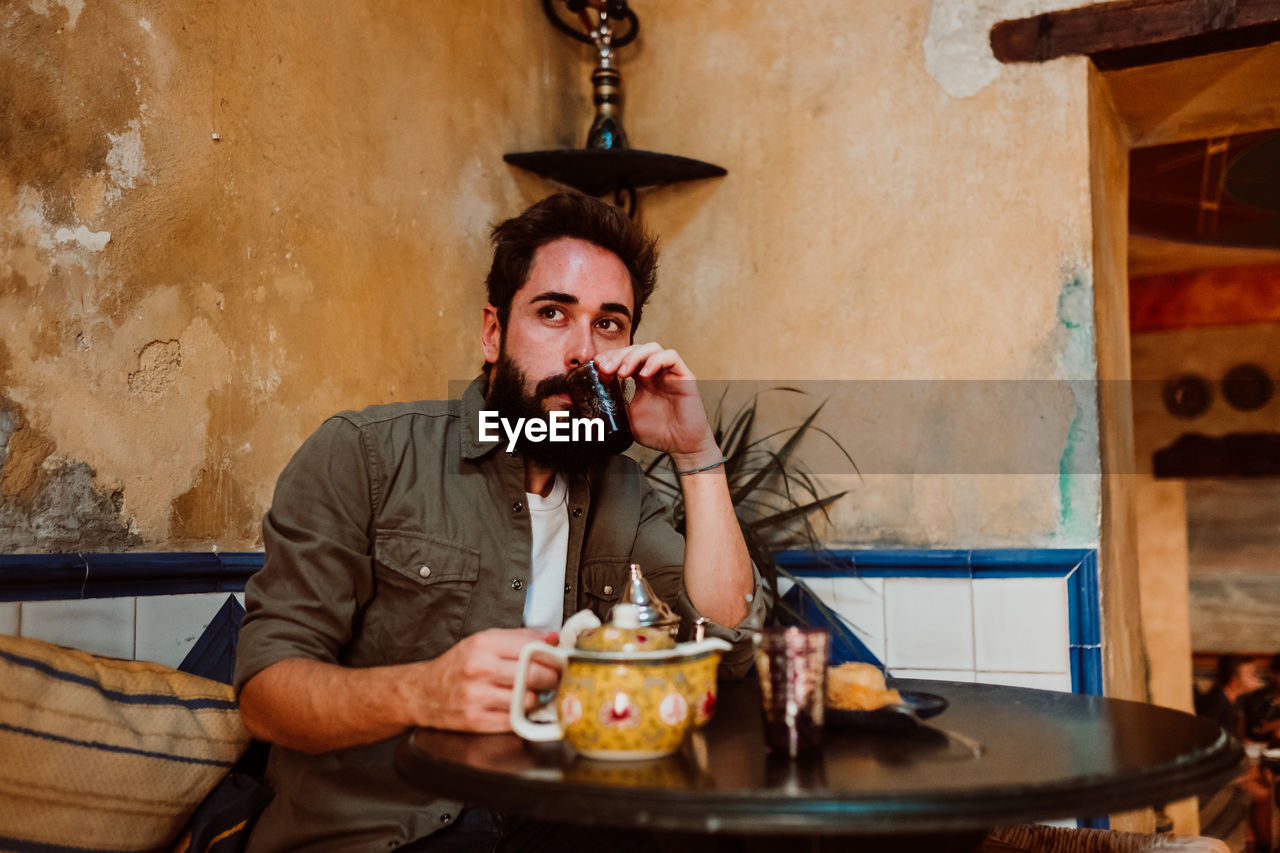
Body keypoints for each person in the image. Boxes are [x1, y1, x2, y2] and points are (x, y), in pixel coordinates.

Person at [233, 192, 768, 852]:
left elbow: (731, 638)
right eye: (553, 313)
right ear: (492, 332)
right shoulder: (364, 454)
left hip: (552, 820)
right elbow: (264, 693)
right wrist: (420, 692)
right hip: (377, 832)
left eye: (609, 325)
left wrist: (697, 453)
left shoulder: (620, 490)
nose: (582, 352)